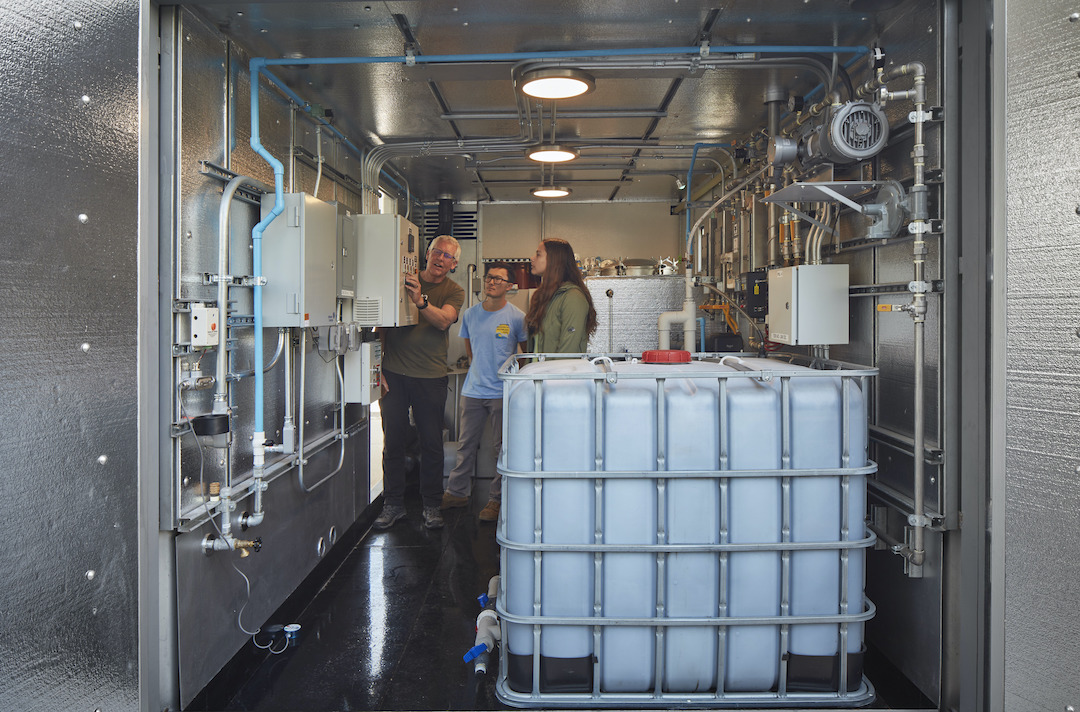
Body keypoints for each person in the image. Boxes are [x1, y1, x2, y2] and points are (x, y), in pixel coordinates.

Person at [374, 235, 465, 531]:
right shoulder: (402, 281)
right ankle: (393, 504)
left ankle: (431, 506)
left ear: (454, 265)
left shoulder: (455, 291)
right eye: (437, 252)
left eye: (448, 256)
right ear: (427, 254)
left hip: (431, 377)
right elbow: (382, 325)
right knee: (393, 442)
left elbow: (443, 321)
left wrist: (420, 301)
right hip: (394, 376)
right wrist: (378, 368)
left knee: (431, 443)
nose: (441, 259)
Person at [441, 263, 527, 522]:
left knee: (502, 447)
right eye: (489, 278)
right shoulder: (470, 314)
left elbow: (525, 354)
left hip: (502, 391)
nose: (491, 282)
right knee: (466, 444)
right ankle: (457, 492)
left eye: (498, 279)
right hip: (473, 390)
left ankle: (496, 499)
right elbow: (471, 351)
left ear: (509, 286)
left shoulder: (516, 317)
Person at [525, 238, 597, 353]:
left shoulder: (572, 297)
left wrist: (548, 371)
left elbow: (567, 353)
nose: (532, 258)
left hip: (558, 370)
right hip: (537, 370)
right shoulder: (541, 297)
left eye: (538, 255)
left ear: (554, 259)